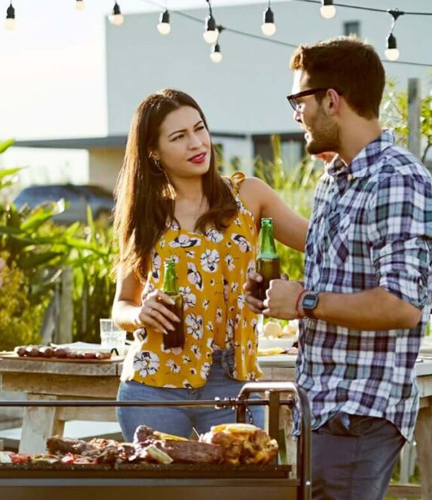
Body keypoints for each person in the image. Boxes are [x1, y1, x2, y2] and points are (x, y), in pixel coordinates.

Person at [252, 37, 432, 500]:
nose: (296, 114)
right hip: (322, 406)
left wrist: (303, 301)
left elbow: (401, 305)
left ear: (331, 100)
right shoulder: (335, 180)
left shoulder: (396, 181)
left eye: (300, 100)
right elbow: (337, 268)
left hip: (360, 411)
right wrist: (286, 288)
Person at [108, 89, 310, 439]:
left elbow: (322, 245)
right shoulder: (147, 215)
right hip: (152, 385)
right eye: (179, 136)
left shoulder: (249, 195)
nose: (196, 143)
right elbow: (122, 304)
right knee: (166, 494)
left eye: (199, 129)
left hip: (232, 382)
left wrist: (297, 292)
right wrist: (140, 314)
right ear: (154, 152)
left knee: (235, 490)